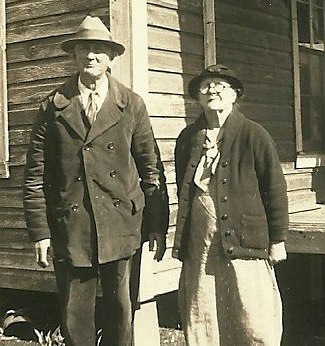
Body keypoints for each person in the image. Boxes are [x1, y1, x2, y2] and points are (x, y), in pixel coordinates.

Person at [23, 15, 168, 346]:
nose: (91, 56)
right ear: (73, 56)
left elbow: (151, 168)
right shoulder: (53, 106)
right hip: (72, 227)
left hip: (122, 223)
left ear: (111, 57)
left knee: (121, 310)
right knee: (75, 316)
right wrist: (40, 232)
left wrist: (157, 224)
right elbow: (35, 174)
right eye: (83, 49)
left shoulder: (131, 104)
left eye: (99, 50)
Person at [172, 64, 288, 346]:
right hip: (201, 239)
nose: (212, 91)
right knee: (204, 303)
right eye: (205, 87)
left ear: (235, 95)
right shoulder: (188, 137)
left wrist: (278, 240)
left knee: (250, 309)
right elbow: (182, 187)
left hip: (244, 236)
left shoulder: (253, 134)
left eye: (220, 86)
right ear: (197, 98)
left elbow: (274, 188)